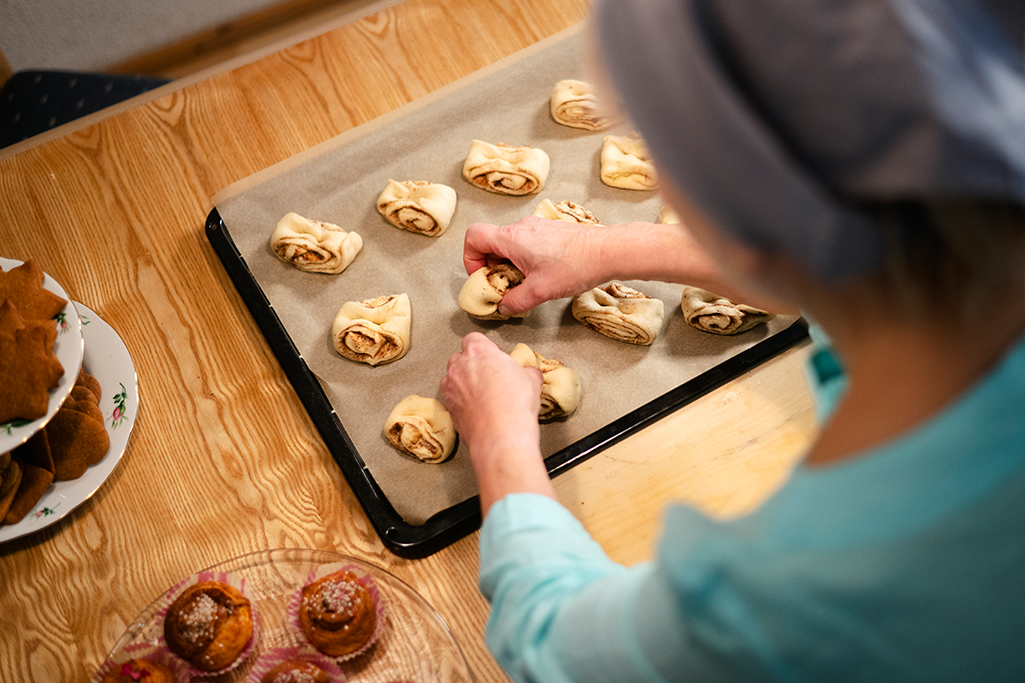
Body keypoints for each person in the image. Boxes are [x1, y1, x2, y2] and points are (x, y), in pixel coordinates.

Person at [439, 0, 1025, 681]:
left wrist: (500, 439)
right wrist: (605, 246)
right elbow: (872, 259)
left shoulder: (799, 589)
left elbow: (556, 641)